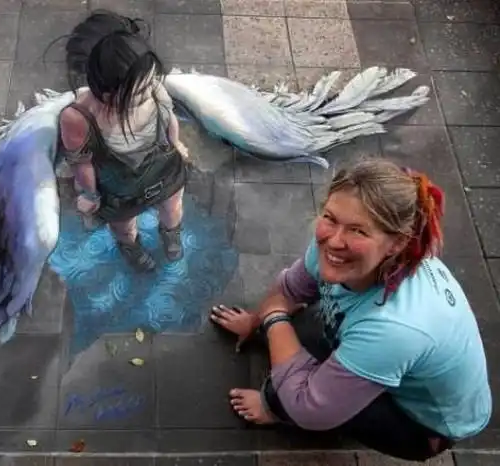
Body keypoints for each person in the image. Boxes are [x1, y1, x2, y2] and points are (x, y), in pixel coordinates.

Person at [210, 158, 492, 461]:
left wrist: (273, 319)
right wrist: (255, 321)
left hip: (425, 425)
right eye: (330, 218)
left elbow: (308, 407)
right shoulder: (337, 248)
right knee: (305, 334)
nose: (334, 242)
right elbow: (290, 289)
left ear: (396, 243)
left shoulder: (394, 327)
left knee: (296, 391)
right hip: (398, 360)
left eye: (358, 231)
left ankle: (276, 411)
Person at [55, 10, 190, 272]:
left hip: (163, 169)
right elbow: (81, 163)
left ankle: (171, 233)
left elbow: (168, 117)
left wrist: (175, 144)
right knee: (123, 227)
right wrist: (90, 194)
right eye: (139, 91)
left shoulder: (151, 86)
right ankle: (131, 247)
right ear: (107, 92)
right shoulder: (80, 116)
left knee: (173, 208)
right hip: (118, 186)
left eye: (151, 81)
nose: (150, 90)